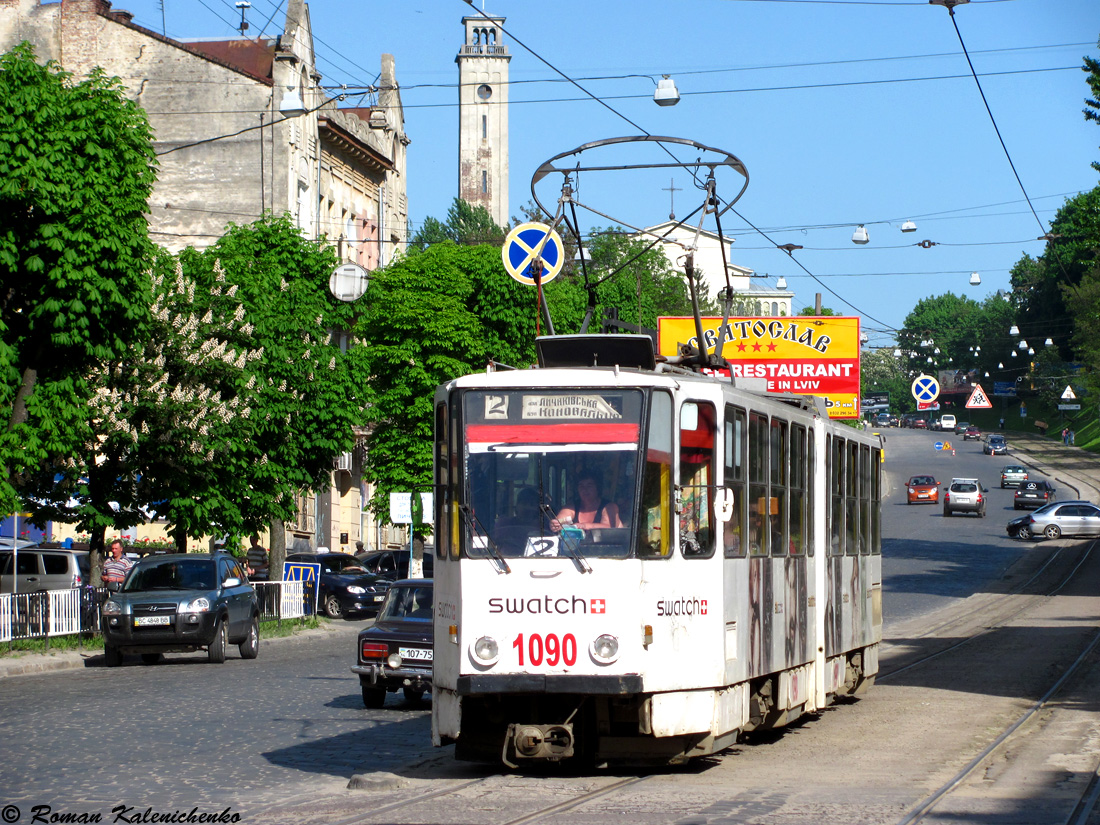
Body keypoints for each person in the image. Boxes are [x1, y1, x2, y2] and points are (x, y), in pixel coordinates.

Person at [551, 471, 622, 532]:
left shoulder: (610, 507)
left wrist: (583, 525)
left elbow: (609, 528)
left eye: (589, 486)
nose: (585, 489)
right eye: (581, 486)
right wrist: (555, 524)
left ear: (597, 488)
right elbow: (561, 520)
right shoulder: (571, 507)